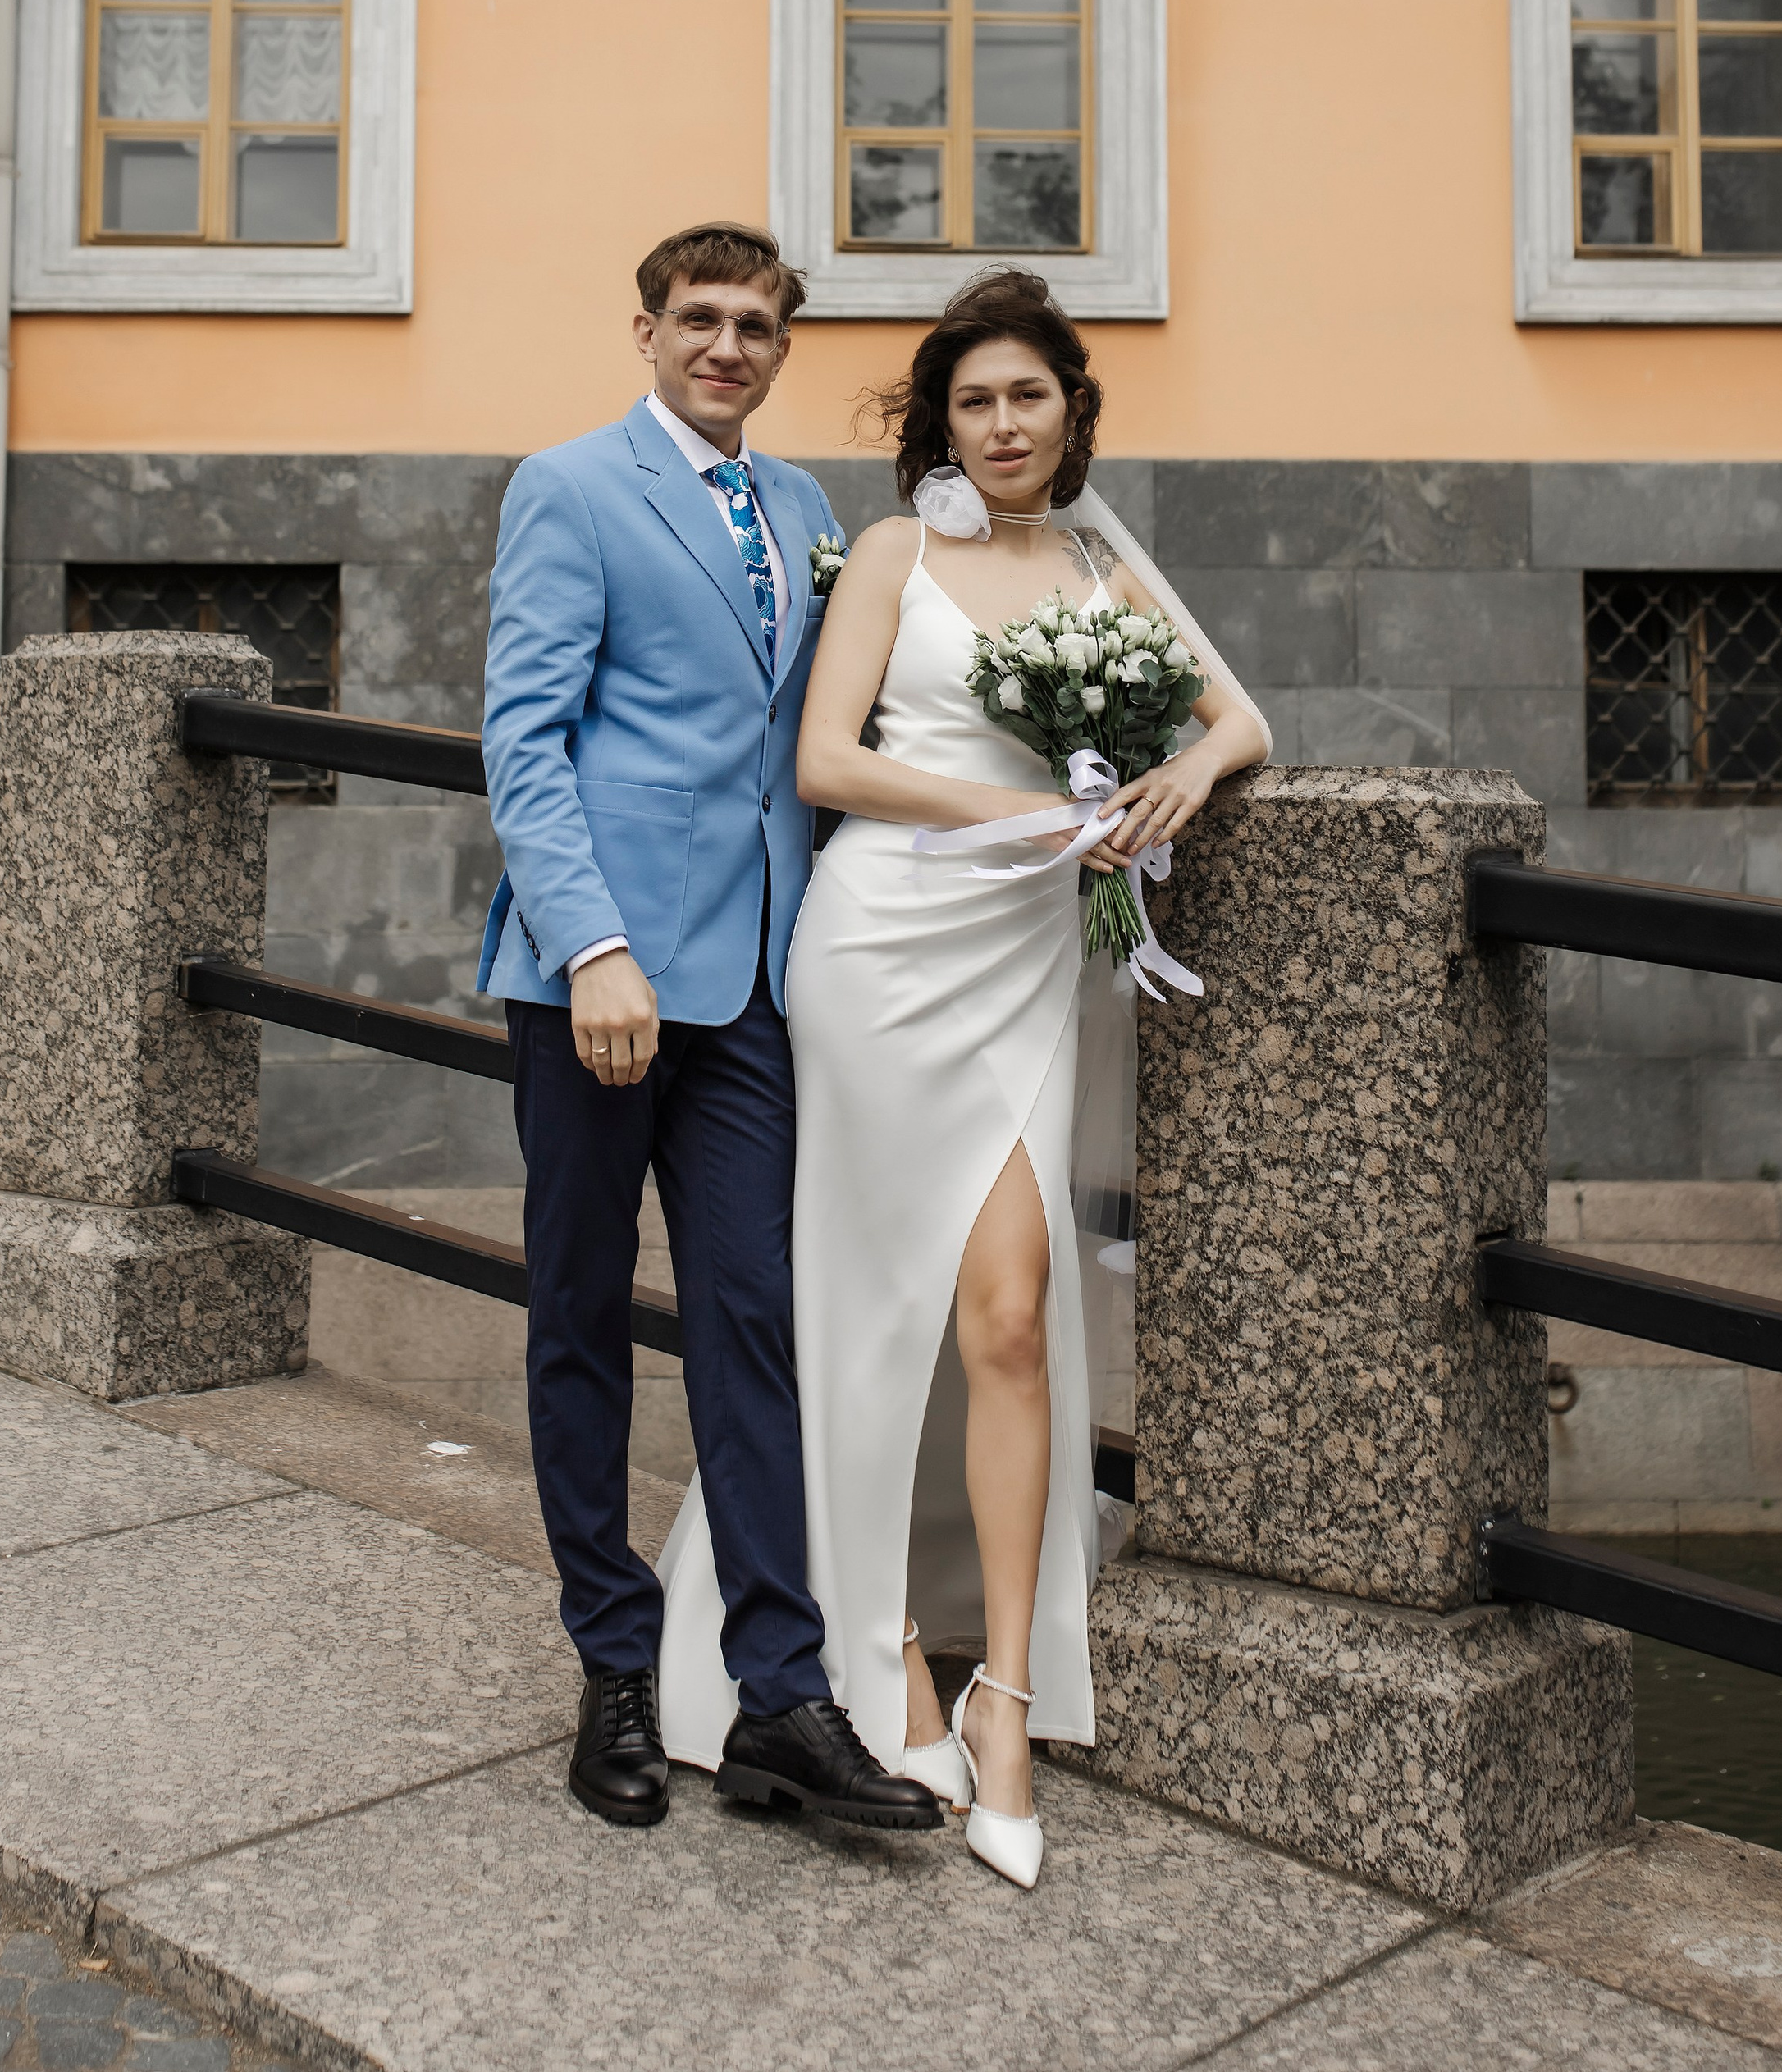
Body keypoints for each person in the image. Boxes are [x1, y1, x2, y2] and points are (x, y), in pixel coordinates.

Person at [659, 267, 1270, 1887]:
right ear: (940, 423)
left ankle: (1004, 1690)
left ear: (1071, 412)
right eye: (973, 401)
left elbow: (1241, 722)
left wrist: (1168, 781)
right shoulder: (890, 558)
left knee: (1009, 1313)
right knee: (871, 1316)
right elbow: (827, 762)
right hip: (877, 957)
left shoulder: (1095, 567)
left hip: (1020, 976)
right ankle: (877, 1661)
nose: (1000, 424)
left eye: (1027, 396)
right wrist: (1009, 816)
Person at [477, 221, 941, 1838]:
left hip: (753, 984)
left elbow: (827, 729)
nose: (725, 345)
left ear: (778, 349)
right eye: (699, 318)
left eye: (754, 324)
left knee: (751, 1315)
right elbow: (522, 737)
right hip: (598, 984)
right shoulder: (571, 487)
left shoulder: (808, 510)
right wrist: (592, 944)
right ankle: (610, 1661)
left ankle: (779, 1699)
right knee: (582, 1317)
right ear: (647, 328)